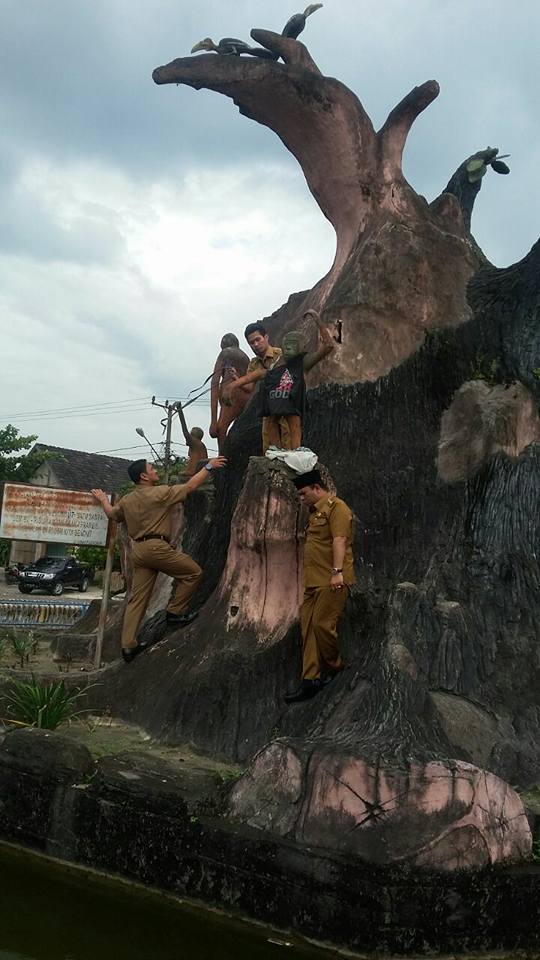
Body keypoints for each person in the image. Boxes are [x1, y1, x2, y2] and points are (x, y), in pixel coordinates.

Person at [91, 455, 226, 663]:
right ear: (144, 476)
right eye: (151, 468)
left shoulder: (127, 500)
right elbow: (190, 486)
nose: (155, 470)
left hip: (139, 551)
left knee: (137, 600)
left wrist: (102, 499)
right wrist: (209, 466)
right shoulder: (159, 493)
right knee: (193, 573)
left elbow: (112, 514)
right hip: (157, 548)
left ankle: (128, 646)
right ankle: (175, 612)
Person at [285, 469, 355, 703]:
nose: (302, 498)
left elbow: (340, 540)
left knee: (323, 625)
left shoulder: (337, 508)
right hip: (313, 582)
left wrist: (337, 572)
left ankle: (335, 666)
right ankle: (310, 679)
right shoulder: (314, 514)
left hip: (331, 580)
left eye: (304, 493)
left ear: (317, 488)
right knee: (308, 629)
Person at [260, 310, 335, 449]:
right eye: (286, 345)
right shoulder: (278, 364)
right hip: (278, 400)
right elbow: (259, 374)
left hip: (293, 403)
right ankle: (277, 451)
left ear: (302, 347)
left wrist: (317, 319)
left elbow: (329, 345)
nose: (288, 348)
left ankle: (296, 452)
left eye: (292, 344)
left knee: (294, 424)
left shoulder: (304, 362)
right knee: (270, 422)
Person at [222, 322, 289, 453]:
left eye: (258, 339)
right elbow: (248, 388)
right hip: (267, 407)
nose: (256, 345)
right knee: (269, 446)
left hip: (286, 405)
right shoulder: (254, 363)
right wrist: (236, 377)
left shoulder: (280, 354)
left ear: (266, 337)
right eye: (251, 343)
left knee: (288, 442)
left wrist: (235, 384)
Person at [209, 333, 251, 453]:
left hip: (231, 394)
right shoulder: (245, 357)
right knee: (241, 428)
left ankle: (223, 460)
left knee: (221, 428)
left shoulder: (225, 353)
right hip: (246, 395)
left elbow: (215, 381)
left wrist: (213, 421)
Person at [176, 403, 208, 476]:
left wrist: (179, 410)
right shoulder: (198, 446)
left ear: (193, 437)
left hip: (193, 475)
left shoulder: (196, 443)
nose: (187, 438)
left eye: (190, 435)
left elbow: (185, 432)